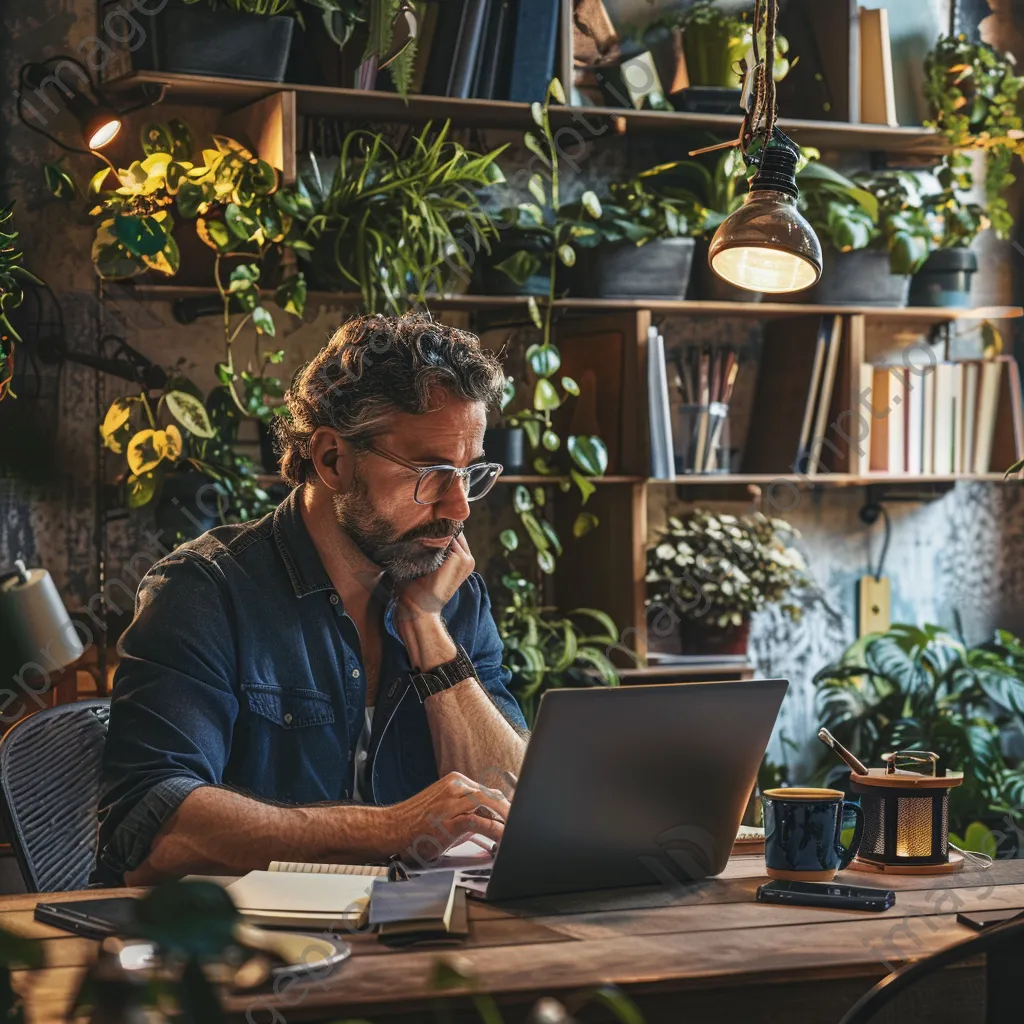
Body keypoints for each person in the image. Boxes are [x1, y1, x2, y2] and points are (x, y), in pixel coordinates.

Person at [94, 314, 528, 885]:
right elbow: (154, 828)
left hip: (407, 941)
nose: (459, 509)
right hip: (238, 954)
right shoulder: (204, 592)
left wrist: (426, 627)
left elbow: (511, 805)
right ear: (331, 459)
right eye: (430, 473)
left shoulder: (449, 590)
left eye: (470, 474)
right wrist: (392, 828)